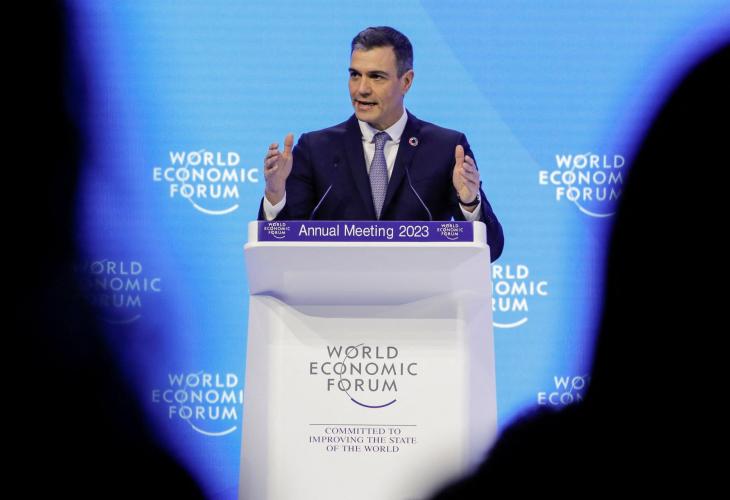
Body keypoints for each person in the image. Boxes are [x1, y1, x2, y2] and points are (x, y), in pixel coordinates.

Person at [258, 26, 504, 261]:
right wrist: (275, 193)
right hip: (336, 290)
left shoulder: (445, 148)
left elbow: (490, 250)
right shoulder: (316, 149)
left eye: (376, 77)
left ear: (406, 81)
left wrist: (470, 202)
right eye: (355, 75)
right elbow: (278, 250)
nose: (361, 89)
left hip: (419, 290)